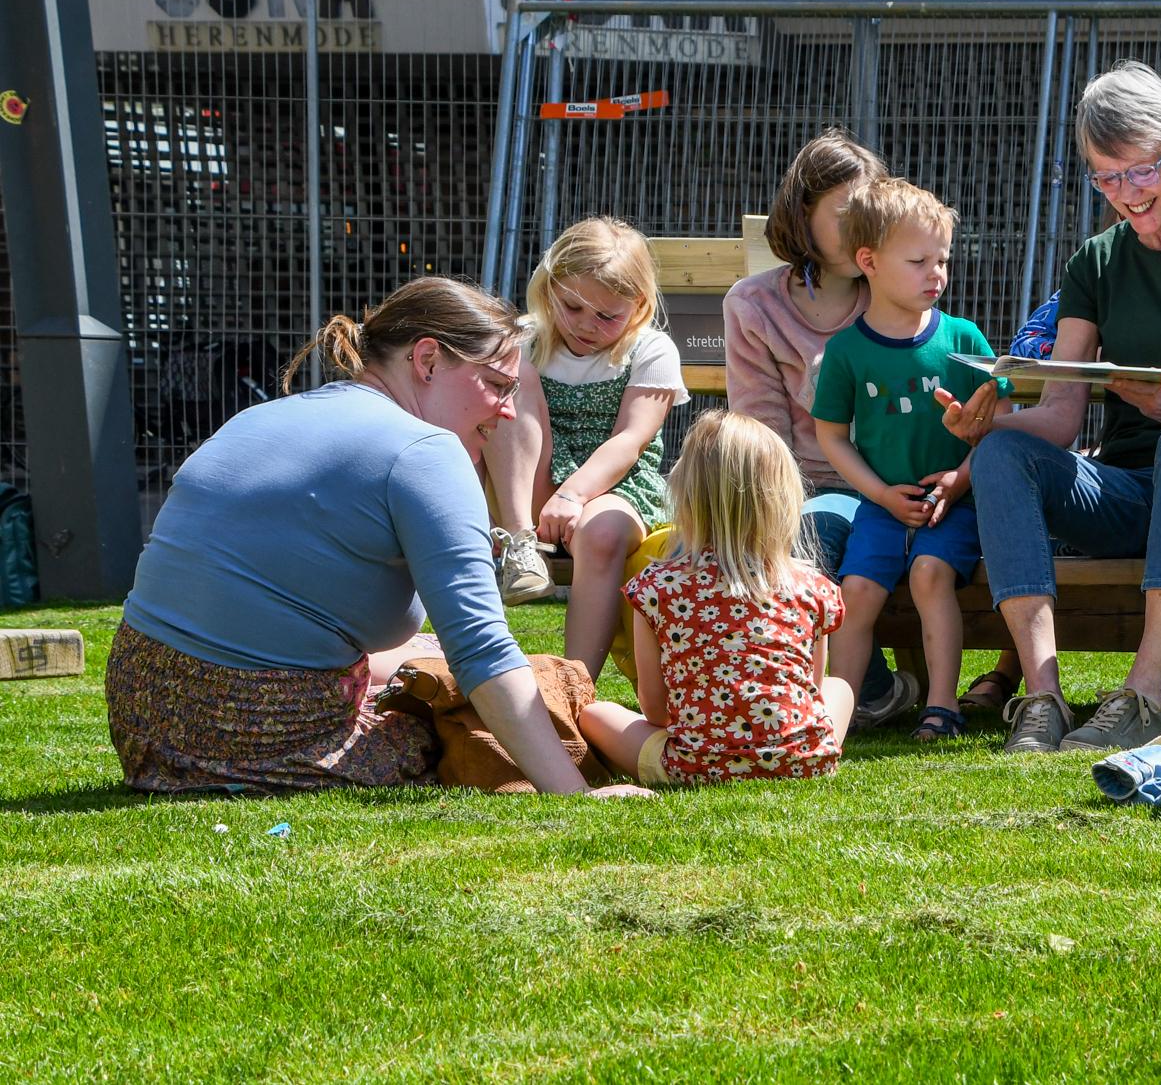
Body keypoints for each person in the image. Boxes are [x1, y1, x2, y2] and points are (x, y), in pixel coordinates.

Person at [107, 277, 650, 798]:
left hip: (146, 718)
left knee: (433, 659)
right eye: (495, 384)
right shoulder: (425, 451)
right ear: (428, 359)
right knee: (468, 710)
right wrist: (572, 793)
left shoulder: (260, 417)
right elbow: (481, 652)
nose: (508, 410)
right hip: (254, 731)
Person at [939, 60, 1161, 755]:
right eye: (1106, 177)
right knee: (1005, 452)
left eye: (1138, 172)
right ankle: (1042, 697)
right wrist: (989, 425)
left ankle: (1144, 692)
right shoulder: (1097, 261)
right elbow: (1059, 419)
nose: (1125, 194)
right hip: (1135, 489)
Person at [722, 130, 920, 727]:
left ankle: (825, 693)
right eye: (844, 214)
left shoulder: (896, 292)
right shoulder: (753, 305)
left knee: (813, 534)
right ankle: (855, 689)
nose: (861, 229)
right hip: (798, 484)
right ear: (801, 214)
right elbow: (763, 430)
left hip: (892, 486)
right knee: (787, 531)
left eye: (869, 213)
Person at [811, 179, 1007, 742]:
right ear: (868, 261)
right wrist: (878, 495)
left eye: (942, 259)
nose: (936, 273)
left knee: (929, 575)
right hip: (881, 505)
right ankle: (838, 717)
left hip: (954, 503)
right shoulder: (847, 349)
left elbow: (997, 427)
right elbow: (833, 438)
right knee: (857, 594)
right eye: (919, 260)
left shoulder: (964, 337)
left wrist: (958, 479)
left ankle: (942, 705)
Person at [580, 411, 853, 785]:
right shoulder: (811, 586)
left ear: (686, 497)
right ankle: (805, 754)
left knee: (593, 713)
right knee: (840, 687)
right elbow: (813, 690)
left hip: (694, 766)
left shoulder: (658, 588)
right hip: (803, 760)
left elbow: (656, 712)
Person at [485, 216, 689, 679]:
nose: (586, 325)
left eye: (606, 315)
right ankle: (520, 544)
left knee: (602, 536)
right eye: (572, 307)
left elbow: (630, 440)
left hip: (613, 486)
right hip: (528, 484)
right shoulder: (526, 340)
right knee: (509, 373)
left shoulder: (649, 350)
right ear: (550, 288)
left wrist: (573, 494)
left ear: (637, 306)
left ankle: (573, 686)